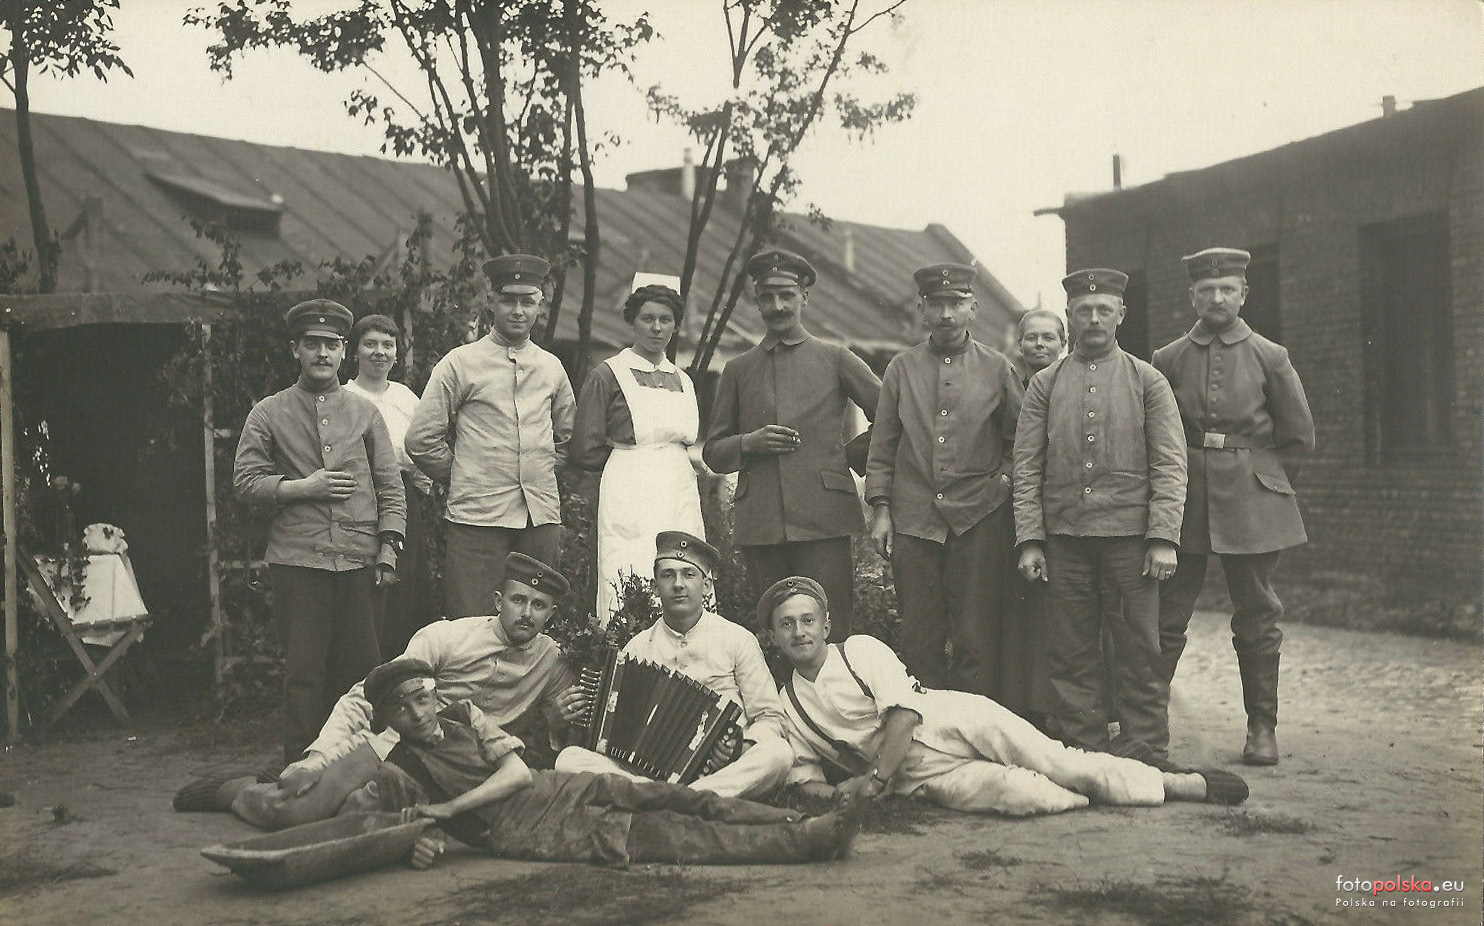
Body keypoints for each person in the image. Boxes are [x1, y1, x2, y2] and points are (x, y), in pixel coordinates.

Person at [762, 576, 1248, 816]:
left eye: (808, 620)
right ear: (773, 637)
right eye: (787, 625)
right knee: (1024, 796)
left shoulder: (860, 650)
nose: (800, 632)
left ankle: (1178, 785)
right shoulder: (789, 705)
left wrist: (873, 778)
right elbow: (806, 781)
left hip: (954, 721)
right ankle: (1113, 779)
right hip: (921, 776)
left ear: (826, 624)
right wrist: (842, 795)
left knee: (1062, 764)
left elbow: (904, 717)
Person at [176, 553, 579, 830]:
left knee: (354, 818)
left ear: (551, 612)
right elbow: (366, 696)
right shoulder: (446, 638)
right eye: (518, 600)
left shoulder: (553, 661)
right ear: (498, 601)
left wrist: (556, 726)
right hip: (402, 747)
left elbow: (555, 744)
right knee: (297, 813)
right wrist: (316, 757)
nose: (526, 613)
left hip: (466, 769)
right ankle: (237, 790)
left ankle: (315, 784)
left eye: (539, 605)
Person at [348, 657, 864, 868]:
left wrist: (449, 809)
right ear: (386, 717)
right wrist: (419, 842)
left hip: (558, 786)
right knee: (674, 834)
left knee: (681, 798)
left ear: (434, 694)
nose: (418, 713)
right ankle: (808, 841)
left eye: (422, 698)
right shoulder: (398, 767)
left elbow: (517, 773)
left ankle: (800, 820)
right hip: (534, 831)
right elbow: (392, 825)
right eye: (402, 707)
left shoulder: (464, 714)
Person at [1012, 269, 1187, 764]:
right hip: (1065, 539)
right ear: (1069, 315)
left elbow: (1170, 464)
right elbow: (1026, 466)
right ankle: (1083, 748)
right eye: (1084, 310)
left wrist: (1163, 536)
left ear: (1120, 315)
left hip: (1131, 540)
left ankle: (1146, 750)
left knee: (1139, 648)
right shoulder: (1045, 384)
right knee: (1070, 649)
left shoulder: (1147, 380)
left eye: (1104, 310)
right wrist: (1031, 539)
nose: (1093, 318)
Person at [1152, 247, 1316, 767]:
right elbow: (1156, 433)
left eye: (1227, 289)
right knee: (1166, 612)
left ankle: (1262, 727)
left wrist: (1265, 484)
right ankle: (1146, 723)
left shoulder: (1271, 355)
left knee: (1258, 614)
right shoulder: (1167, 358)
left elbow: (1299, 438)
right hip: (1185, 501)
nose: (1217, 298)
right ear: (1192, 296)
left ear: (1244, 294)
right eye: (1207, 290)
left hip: (1252, 501)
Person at [233, 299, 406, 763]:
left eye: (331, 344)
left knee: (363, 672)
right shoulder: (268, 412)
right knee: (304, 673)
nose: (322, 354)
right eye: (312, 344)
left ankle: (361, 765)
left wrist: (388, 549)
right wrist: (301, 488)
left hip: (360, 560)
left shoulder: (365, 413)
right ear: (296, 349)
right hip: (298, 560)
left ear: (344, 351)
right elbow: (245, 483)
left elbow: (390, 487)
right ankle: (300, 769)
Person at [702, 249, 880, 639]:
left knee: (831, 628)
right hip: (761, 522)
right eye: (767, 297)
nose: (778, 305)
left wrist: (846, 457)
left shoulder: (835, 358)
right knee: (777, 630)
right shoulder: (738, 370)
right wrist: (749, 442)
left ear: (804, 297)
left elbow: (891, 418)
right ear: (756, 301)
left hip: (824, 517)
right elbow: (713, 452)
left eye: (787, 295)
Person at [864, 263, 1022, 699]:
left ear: (974, 308)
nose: (947, 314)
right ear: (922, 308)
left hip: (979, 520)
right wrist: (881, 509)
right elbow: (883, 445)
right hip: (915, 521)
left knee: (976, 635)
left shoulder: (998, 368)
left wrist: (1002, 485)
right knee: (920, 635)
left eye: (956, 303)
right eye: (936, 304)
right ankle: (928, 728)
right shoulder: (901, 369)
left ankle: (973, 726)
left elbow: (1021, 443)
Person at [555, 531, 794, 800]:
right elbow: (612, 731)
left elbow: (769, 715)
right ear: (655, 587)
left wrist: (741, 747)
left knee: (778, 754)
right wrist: (574, 719)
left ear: (706, 585)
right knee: (568, 759)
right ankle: (684, 800)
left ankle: (667, 799)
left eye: (689, 575)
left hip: (720, 771)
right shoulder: (637, 647)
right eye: (668, 575)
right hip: (644, 772)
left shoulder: (738, 639)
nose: (678, 584)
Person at [406, 254, 576, 618]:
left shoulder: (551, 367)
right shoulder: (460, 362)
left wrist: (541, 472)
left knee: (531, 622)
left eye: (527, 301)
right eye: (508, 300)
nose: (518, 310)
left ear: (539, 305)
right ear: (491, 302)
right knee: (472, 622)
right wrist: (465, 475)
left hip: (538, 519)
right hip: (477, 520)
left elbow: (568, 438)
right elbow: (421, 438)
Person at [571, 284, 705, 620]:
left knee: (683, 563)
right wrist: (629, 465)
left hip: (677, 486)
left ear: (675, 325)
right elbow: (585, 447)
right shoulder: (608, 374)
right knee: (628, 563)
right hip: (630, 484)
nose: (657, 328)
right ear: (632, 321)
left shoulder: (683, 380)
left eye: (665, 320)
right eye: (647, 318)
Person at [343, 314, 438, 657]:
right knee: (363, 586)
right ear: (354, 351)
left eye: (388, 345)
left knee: (404, 589)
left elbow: (423, 448)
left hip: (402, 500)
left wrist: (419, 490)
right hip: (355, 499)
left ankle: (403, 669)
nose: (379, 352)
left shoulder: (406, 398)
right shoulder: (343, 396)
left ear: (397, 353)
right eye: (370, 344)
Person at [1000, 308, 1068, 730]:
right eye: (1031, 338)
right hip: (1011, 511)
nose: (1039, 345)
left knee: (1062, 609)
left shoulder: (1073, 385)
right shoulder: (1006, 385)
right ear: (1019, 344)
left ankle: (1062, 707)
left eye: (1048, 337)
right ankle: (1021, 706)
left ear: (1063, 343)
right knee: (1018, 612)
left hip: (1062, 511)